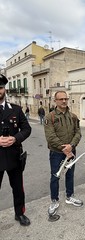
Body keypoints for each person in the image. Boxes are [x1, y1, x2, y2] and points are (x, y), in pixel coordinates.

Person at [44, 91, 83, 217]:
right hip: (57, 153)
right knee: (55, 177)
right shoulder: (50, 117)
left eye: (66, 99)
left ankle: (70, 196)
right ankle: (54, 201)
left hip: (71, 151)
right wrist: (64, 148)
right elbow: (50, 137)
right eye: (61, 99)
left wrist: (71, 146)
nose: (64, 101)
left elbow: (78, 133)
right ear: (55, 101)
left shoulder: (73, 116)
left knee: (70, 174)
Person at [0, 74, 32, 226]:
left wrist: (15, 138)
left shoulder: (17, 110)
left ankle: (19, 214)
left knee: (18, 188)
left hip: (13, 156)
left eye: (0, 87)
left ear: (4, 89)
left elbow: (26, 129)